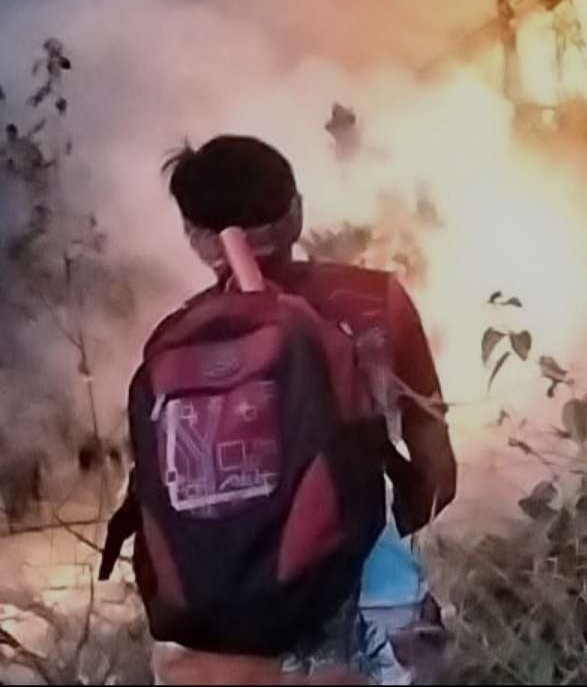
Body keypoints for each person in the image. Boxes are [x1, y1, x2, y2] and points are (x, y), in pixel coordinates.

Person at [124, 135, 456, 684]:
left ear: (196, 239)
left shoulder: (173, 341)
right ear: (296, 213)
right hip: (370, 591)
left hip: (215, 628)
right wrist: (358, 525)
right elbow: (438, 475)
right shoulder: (376, 302)